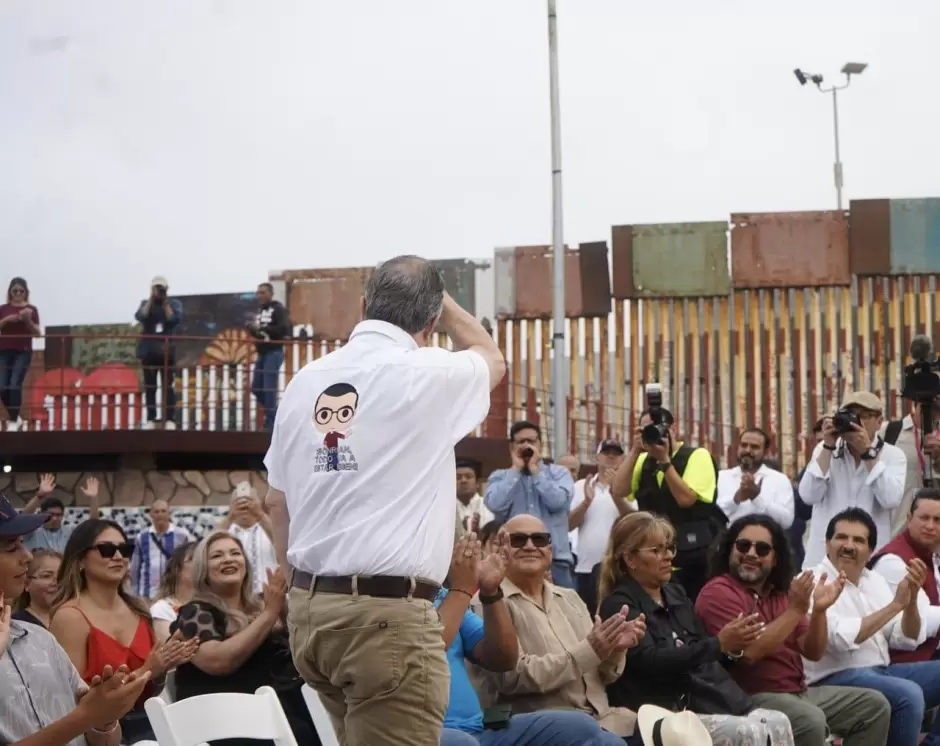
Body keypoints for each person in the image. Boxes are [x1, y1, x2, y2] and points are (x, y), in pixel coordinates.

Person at [263, 256, 505, 746]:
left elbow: (276, 502)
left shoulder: (304, 381)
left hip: (313, 612)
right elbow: (491, 356)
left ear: (362, 307)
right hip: (385, 618)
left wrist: (297, 590)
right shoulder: (428, 370)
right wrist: (450, 304)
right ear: (433, 321)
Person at [597, 511, 795, 746]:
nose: (668, 556)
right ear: (630, 559)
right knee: (747, 731)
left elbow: (702, 651)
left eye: (669, 547)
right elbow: (651, 662)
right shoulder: (620, 604)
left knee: (778, 721)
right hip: (666, 711)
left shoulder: (675, 593)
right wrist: (718, 643)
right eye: (657, 550)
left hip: (707, 699)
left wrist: (733, 646)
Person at [695, 515, 892, 746]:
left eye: (762, 549)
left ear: (775, 558)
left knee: (874, 707)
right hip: (747, 696)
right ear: (730, 550)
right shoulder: (718, 592)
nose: (751, 553)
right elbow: (750, 653)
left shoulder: (780, 595)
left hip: (797, 692)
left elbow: (813, 652)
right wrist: (797, 610)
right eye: (743, 545)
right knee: (810, 720)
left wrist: (819, 611)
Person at [438, 530, 625, 746]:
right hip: (439, 734)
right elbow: (511, 674)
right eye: (518, 540)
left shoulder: (569, 597)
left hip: (483, 729)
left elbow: (503, 658)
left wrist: (491, 591)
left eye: (539, 539)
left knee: (590, 730)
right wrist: (462, 589)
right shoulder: (453, 600)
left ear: (551, 551)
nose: (530, 546)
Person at [0, 491, 152, 746]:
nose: (26, 556)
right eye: (11, 546)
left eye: (124, 549)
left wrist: (104, 718)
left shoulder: (40, 639)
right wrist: (85, 717)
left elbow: (105, 739)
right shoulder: (69, 617)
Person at [49, 519, 198, 744]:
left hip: (149, 726)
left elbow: (150, 691)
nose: (118, 556)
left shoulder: (138, 610)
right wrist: (149, 668)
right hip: (95, 736)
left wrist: (162, 666)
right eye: (106, 549)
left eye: (125, 549)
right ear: (80, 560)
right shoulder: (69, 617)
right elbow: (70, 700)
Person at [805, 507, 940, 746]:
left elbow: (906, 638)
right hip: (833, 678)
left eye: (858, 540)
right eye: (841, 538)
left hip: (880, 671)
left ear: (869, 551)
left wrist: (910, 602)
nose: (848, 545)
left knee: (909, 688)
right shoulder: (813, 579)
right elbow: (837, 640)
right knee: (908, 695)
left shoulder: (872, 580)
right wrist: (894, 605)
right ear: (827, 544)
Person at [172, 532, 320, 746]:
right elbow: (219, 662)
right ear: (203, 570)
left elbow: (302, 648)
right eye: (217, 556)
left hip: (277, 710)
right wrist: (270, 613)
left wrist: (283, 609)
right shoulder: (195, 612)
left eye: (235, 553)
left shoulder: (262, 604)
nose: (228, 559)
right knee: (301, 733)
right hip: (223, 721)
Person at [610, 407, 720, 601]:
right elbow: (618, 490)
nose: (653, 435)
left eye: (658, 429)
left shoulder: (697, 456)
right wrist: (635, 451)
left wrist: (665, 461)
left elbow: (686, 500)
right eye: (645, 431)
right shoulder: (643, 460)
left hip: (692, 558)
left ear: (673, 429)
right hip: (651, 560)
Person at [798, 391, 906, 569]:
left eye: (862, 415)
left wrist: (867, 453)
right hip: (823, 561)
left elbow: (890, 499)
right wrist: (827, 446)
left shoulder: (893, 455)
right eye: (849, 415)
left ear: (879, 421)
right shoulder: (825, 450)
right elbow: (808, 496)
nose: (854, 421)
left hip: (870, 561)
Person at [485, 421, 575, 588]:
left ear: (540, 444)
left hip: (555, 561)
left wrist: (535, 470)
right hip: (514, 559)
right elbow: (495, 504)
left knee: (563, 611)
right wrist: (515, 470)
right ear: (512, 447)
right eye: (521, 442)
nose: (526, 445)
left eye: (531, 441)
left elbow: (558, 502)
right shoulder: (499, 477)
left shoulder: (559, 473)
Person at [871, 487, 940, 663]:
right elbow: (923, 622)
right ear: (909, 520)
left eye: (937, 520)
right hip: (905, 660)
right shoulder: (893, 561)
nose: (930, 526)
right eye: (924, 518)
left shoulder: (930, 553)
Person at [569, 439, 630, 613]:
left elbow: (636, 523)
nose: (611, 457)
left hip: (619, 569)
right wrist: (586, 503)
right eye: (606, 453)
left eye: (616, 454)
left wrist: (616, 495)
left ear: (623, 459)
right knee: (586, 620)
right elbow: (568, 525)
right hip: (586, 568)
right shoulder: (581, 486)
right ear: (597, 458)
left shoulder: (630, 489)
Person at [879, 399, 940, 536]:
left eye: (937, 410)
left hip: (934, 530)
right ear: (915, 405)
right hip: (896, 529)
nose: (933, 415)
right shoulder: (890, 432)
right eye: (928, 409)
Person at [717, 427, 794, 529]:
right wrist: (736, 498)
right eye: (743, 445)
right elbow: (712, 515)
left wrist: (756, 498)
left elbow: (786, 521)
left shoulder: (779, 480)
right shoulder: (721, 477)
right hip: (728, 542)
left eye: (755, 447)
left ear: (765, 452)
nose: (747, 450)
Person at [135, 275, 183, 430]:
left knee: (167, 386)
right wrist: (151, 299)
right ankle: (151, 418)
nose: (159, 291)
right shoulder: (146, 304)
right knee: (150, 386)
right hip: (149, 351)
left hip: (166, 351)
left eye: (161, 288)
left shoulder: (174, 304)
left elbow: (174, 320)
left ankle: (169, 418)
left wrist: (164, 303)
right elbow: (140, 316)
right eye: (156, 288)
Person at [247, 282, 292, 431]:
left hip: (274, 351)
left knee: (268, 388)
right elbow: (261, 333)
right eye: (258, 292)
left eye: (262, 292)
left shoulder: (277, 308)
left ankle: (272, 421)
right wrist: (252, 329)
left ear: (270, 294)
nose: (259, 295)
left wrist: (262, 328)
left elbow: (284, 329)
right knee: (256, 387)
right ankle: (275, 413)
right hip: (262, 352)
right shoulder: (260, 311)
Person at [220, 482, 278, 595]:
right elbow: (206, 547)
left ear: (258, 503)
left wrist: (260, 514)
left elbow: (284, 544)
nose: (244, 505)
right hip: (235, 598)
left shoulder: (268, 528)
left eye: (249, 501)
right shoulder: (226, 531)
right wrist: (230, 516)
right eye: (238, 502)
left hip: (269, 597)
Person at [129, 499, 193, 600]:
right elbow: (135, 567)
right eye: (156, 511)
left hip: (174, 593)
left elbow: (190, 563)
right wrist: (134, 594)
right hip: (147, 594)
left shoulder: (182, 535)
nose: (160, 514)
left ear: (169, 514)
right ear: (151, 515)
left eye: (163, 511)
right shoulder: (141, 537)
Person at [0, 277, 40, 431]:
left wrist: (28, 320)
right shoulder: (3, 309)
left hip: (22, 352)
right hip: (3, 351)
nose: (17, 293)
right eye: (14, 290)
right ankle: (15, 417)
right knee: (2, 386)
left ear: (25, 293)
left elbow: (37, 333)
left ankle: (13, 421)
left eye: (20, 291)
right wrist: (7, 320)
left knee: (14, 384)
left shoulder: (32, 309)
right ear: (10, 292)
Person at [22, 475, 101, 553]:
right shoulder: (33, 533)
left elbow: (93, 525)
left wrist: (93, 498)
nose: (55, 518)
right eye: (51, 514)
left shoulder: (71, 532)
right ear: (42, 514)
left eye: (58, 515)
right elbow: (24, 518)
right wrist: (39, 496)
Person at [150, 542, 197, 642]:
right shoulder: (162, 609)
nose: (201, 564)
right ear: (177, 569)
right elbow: (172, 651)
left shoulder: (215, 603)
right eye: (193, 559)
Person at [12, 548, 61, 628]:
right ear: (26, 584)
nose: (56, 582)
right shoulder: (17, 624)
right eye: (46, 576)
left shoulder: (75, 617)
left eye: (62, 575)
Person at [456, 459, 494, 532]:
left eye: (468, 476)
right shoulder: (445, 509)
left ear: (477, 483)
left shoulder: (490, 506)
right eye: (458, 478)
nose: (463, 481)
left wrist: (479, 533)